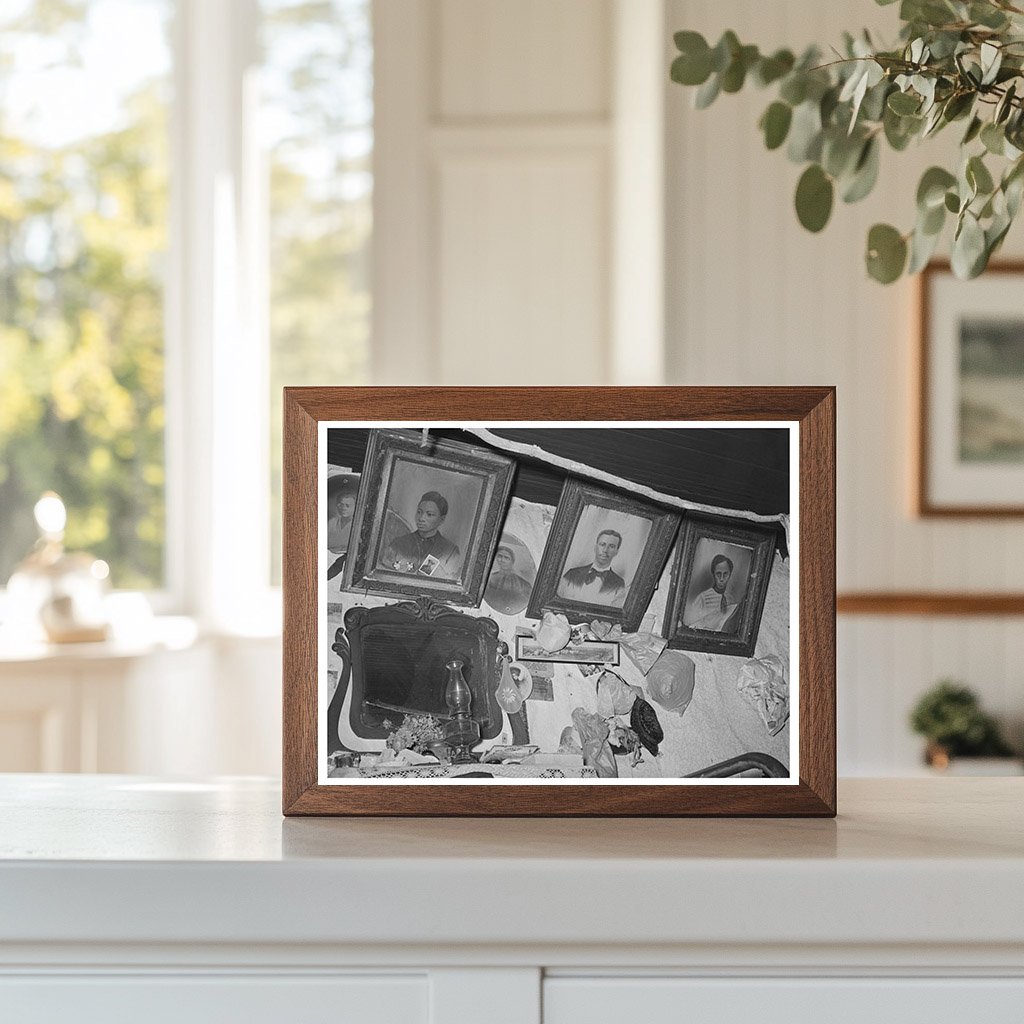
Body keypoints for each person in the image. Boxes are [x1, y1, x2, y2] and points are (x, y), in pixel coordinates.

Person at [379, 490, 462, 579]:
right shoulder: (397, 544)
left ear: (441, 519)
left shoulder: (451, 551)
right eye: (419, 512)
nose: (421, 518)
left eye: (429, 514)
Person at [557, 529, 627, 607]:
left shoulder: (619, 584)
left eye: (611, 546)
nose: (605, 550)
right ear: (595, 547)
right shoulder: (571, 574)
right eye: (602, 544)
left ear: (616, 551)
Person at [684, 553, 742, 632]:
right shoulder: (702, 598)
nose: (722, 579)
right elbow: (691, 625)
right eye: (718, 574)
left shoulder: (731, 598)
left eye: (725, 574)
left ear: (730, 574)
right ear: (713, 574)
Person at [483, 544, 533, 615]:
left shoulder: (522, 584)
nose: (502, 560)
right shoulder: (490, 578)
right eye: (499, 556)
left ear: (512, 561)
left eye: (506, 558)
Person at [327, 478, 358, 555]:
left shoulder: (359, 524)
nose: (343, 508)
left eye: (347, 505)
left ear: (355, 507)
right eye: (341, 505)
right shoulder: (332, 522)